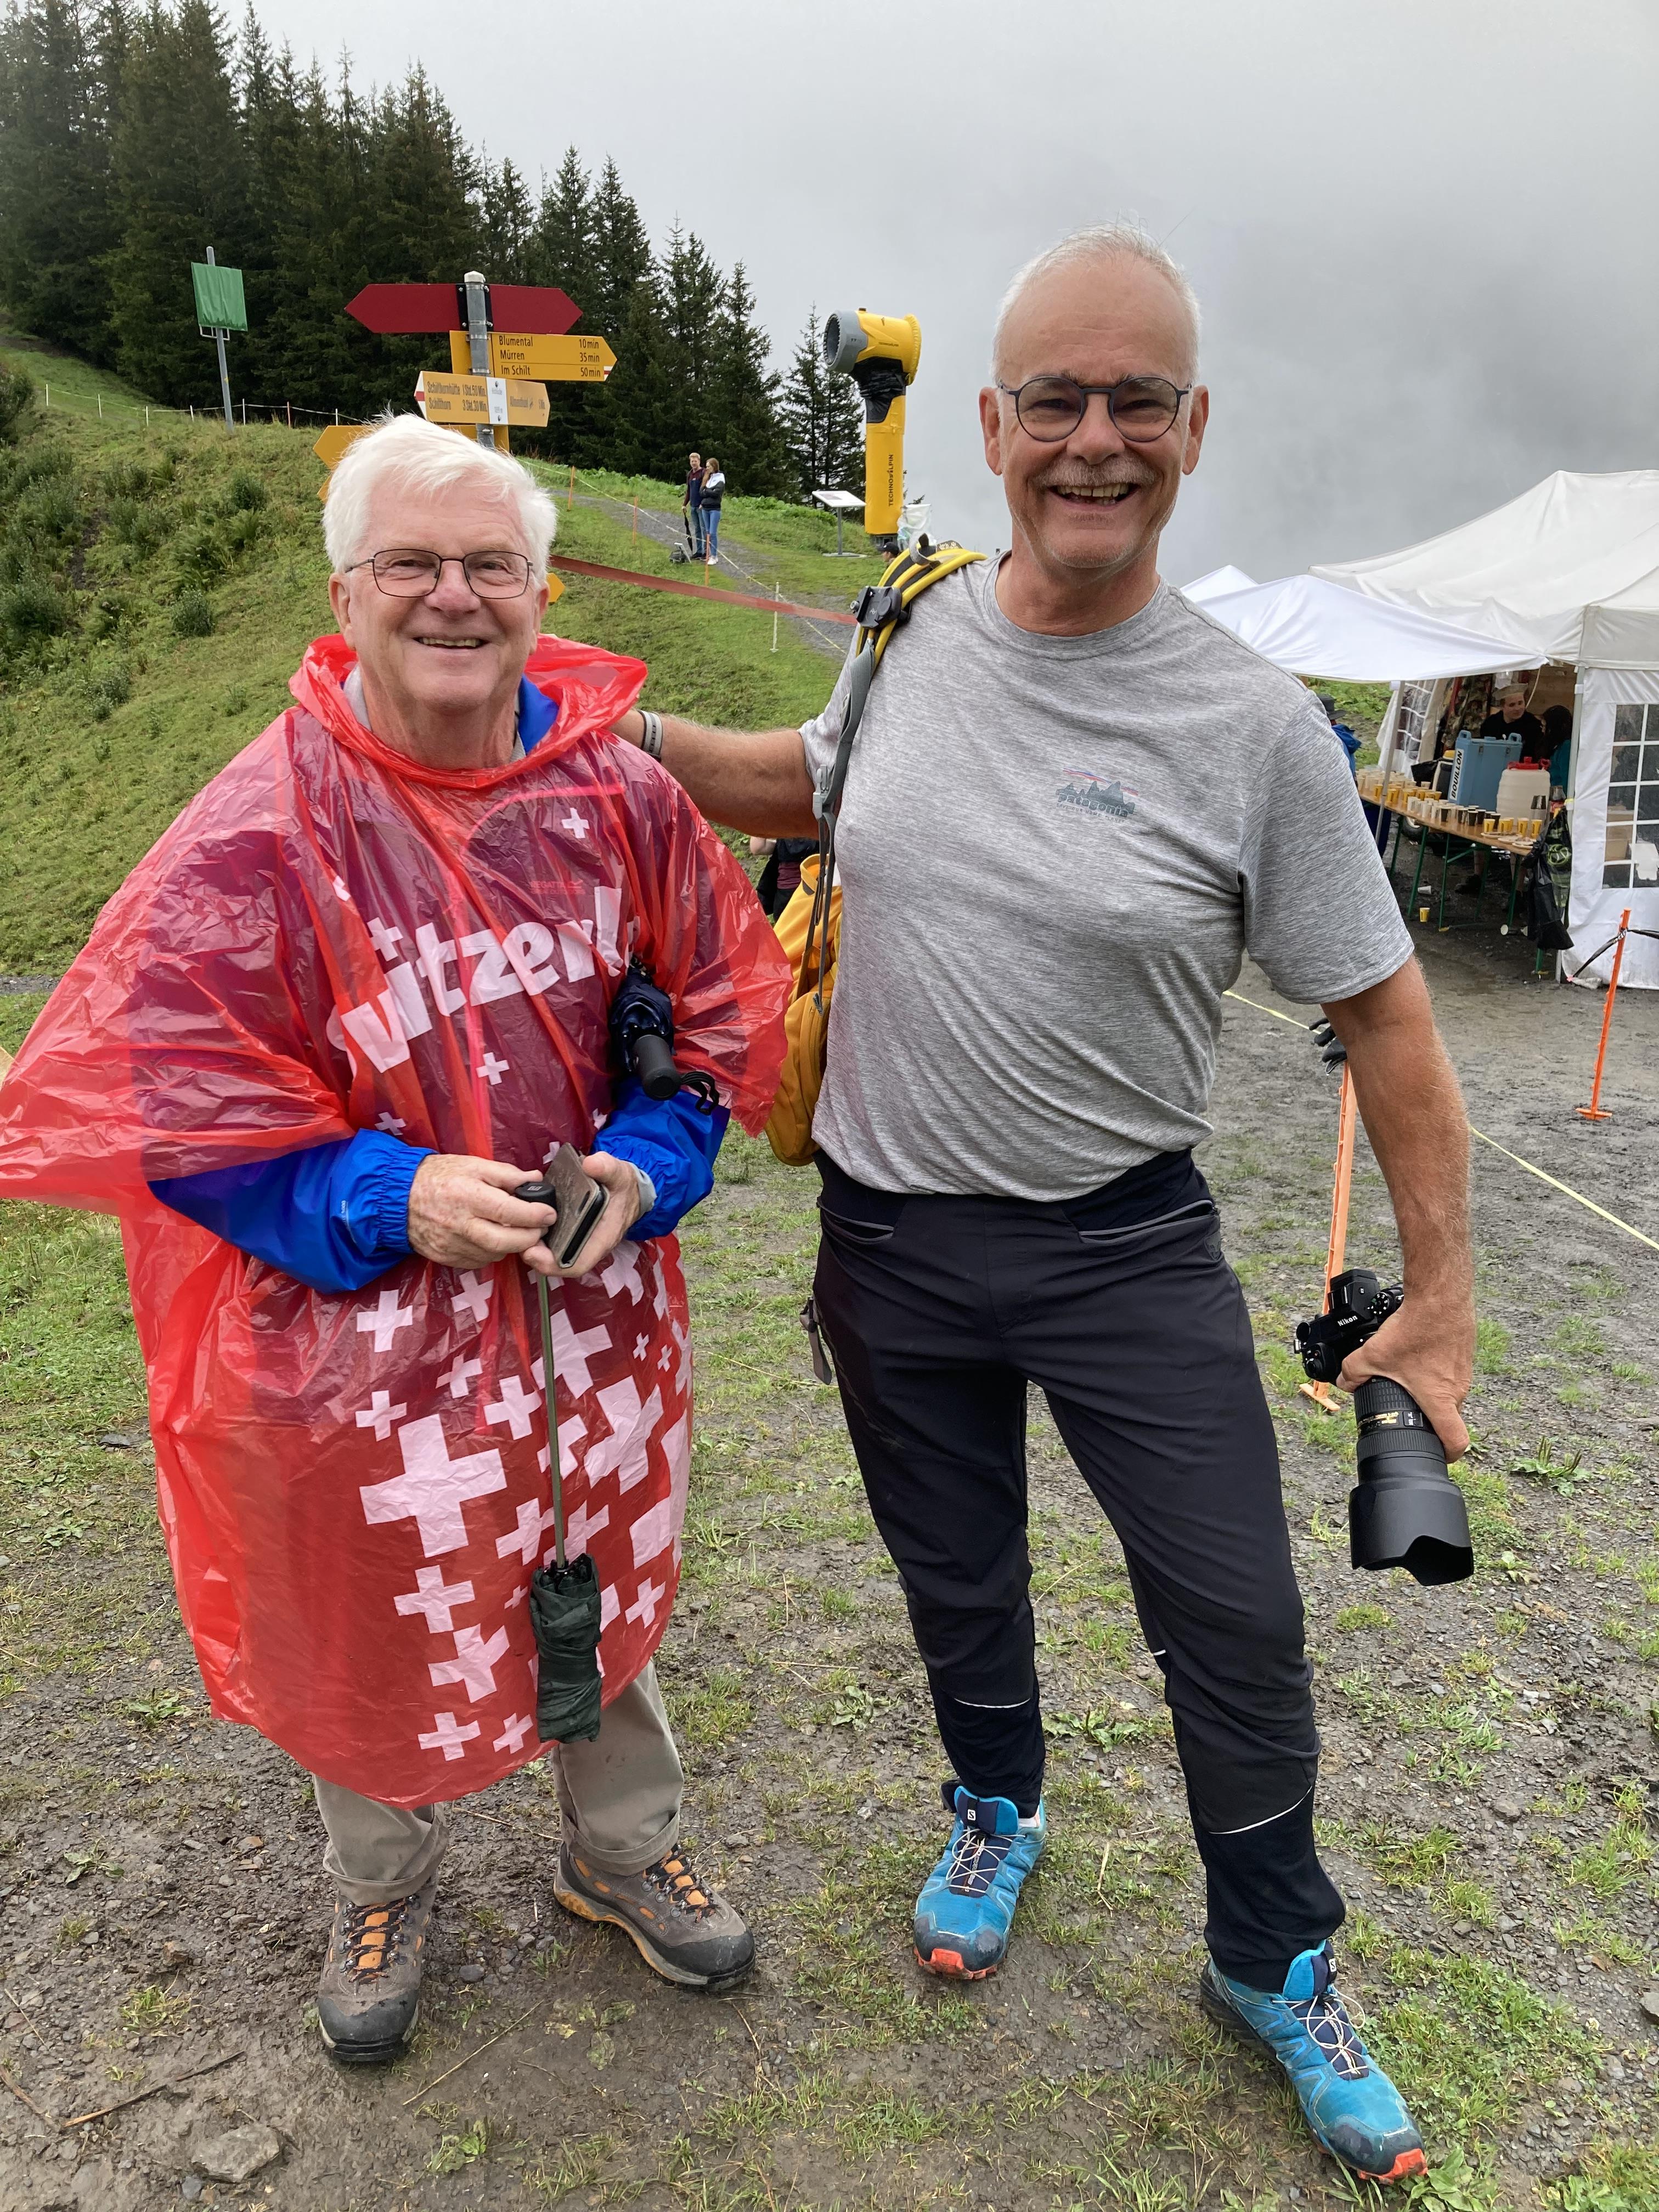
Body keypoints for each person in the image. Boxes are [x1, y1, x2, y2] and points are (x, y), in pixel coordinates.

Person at [607, 225, 1475, 2188]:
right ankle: (992, 1802)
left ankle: (1272, 1960)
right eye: (1055, 403)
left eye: (1133, 403)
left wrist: (1439, 1294)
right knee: (955, 1572)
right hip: (892, 1242)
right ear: (991, 427)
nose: (1093, 438)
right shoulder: (910, 634)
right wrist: (635, 744)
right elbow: (806, 786)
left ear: (1189, 429)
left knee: (1235, 1622)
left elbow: (1389, 1018)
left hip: (1123, 1247)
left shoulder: (1250, 729)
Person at [0, 415, 789, 2065]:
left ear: (540, 586)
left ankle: (619, 1852)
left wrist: (648, 1164)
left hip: (586, 1327)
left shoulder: (623, 797)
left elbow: (716, 1026)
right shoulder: (253, 834)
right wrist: (391, 1195)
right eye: (413, 565)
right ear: (346, 590)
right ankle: (382, 1878)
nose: (454, 596)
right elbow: (185, 1125)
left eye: (487, 563)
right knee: (366, 1601)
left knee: (593, 1567)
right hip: (343, 1345)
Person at [748, 833, 819, 919]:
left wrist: (781, 846)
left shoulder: (780, 820)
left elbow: (758, 848)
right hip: (818, 890)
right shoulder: (820, 822)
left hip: (786, 895)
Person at [1480, 681, 1544, 756]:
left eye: (1520, 703)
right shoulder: (1490, 724)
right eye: (1512, 705)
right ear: (1502, 707)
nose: (1517, 708)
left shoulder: (1533, 724)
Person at [700, 457, 726, 561]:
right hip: (705, 508)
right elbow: (701, 492)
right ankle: (710, 555)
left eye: (708, 467)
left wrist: (707, 491)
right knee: (707, 533)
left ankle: (715, 556)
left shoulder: (720, 477)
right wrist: (708, 491)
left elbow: (717, 493)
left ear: (714, 466)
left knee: (713, 533)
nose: (707, 469)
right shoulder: (708, 477)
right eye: (706, 467)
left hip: (714, 509)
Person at [685, 451, 706, 558]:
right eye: (692, 461)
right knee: (697, 529)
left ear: (699, 461)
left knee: (704, 528)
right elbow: (689, 491)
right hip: (693, 506)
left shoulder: (703, 473)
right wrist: (685, 504)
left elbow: (706, 490)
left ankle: (706, 553)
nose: (694, 463)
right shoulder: (690, 474)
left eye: (695, 461)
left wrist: (703, 503)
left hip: (701, 507)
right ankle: (699, 551)